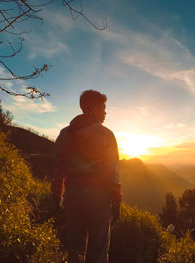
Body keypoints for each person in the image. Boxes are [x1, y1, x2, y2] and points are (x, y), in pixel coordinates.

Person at [51, 90, 121, 263]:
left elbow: (56, 168)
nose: (105, 112)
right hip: (98, 197)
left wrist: (57, 196)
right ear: (95, 108)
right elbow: (112, 172)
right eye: (103, 108)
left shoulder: (65, 134)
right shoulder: (106, 135)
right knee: (98, 251)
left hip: (72, 195)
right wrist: (116, 200)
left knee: (75, 249)